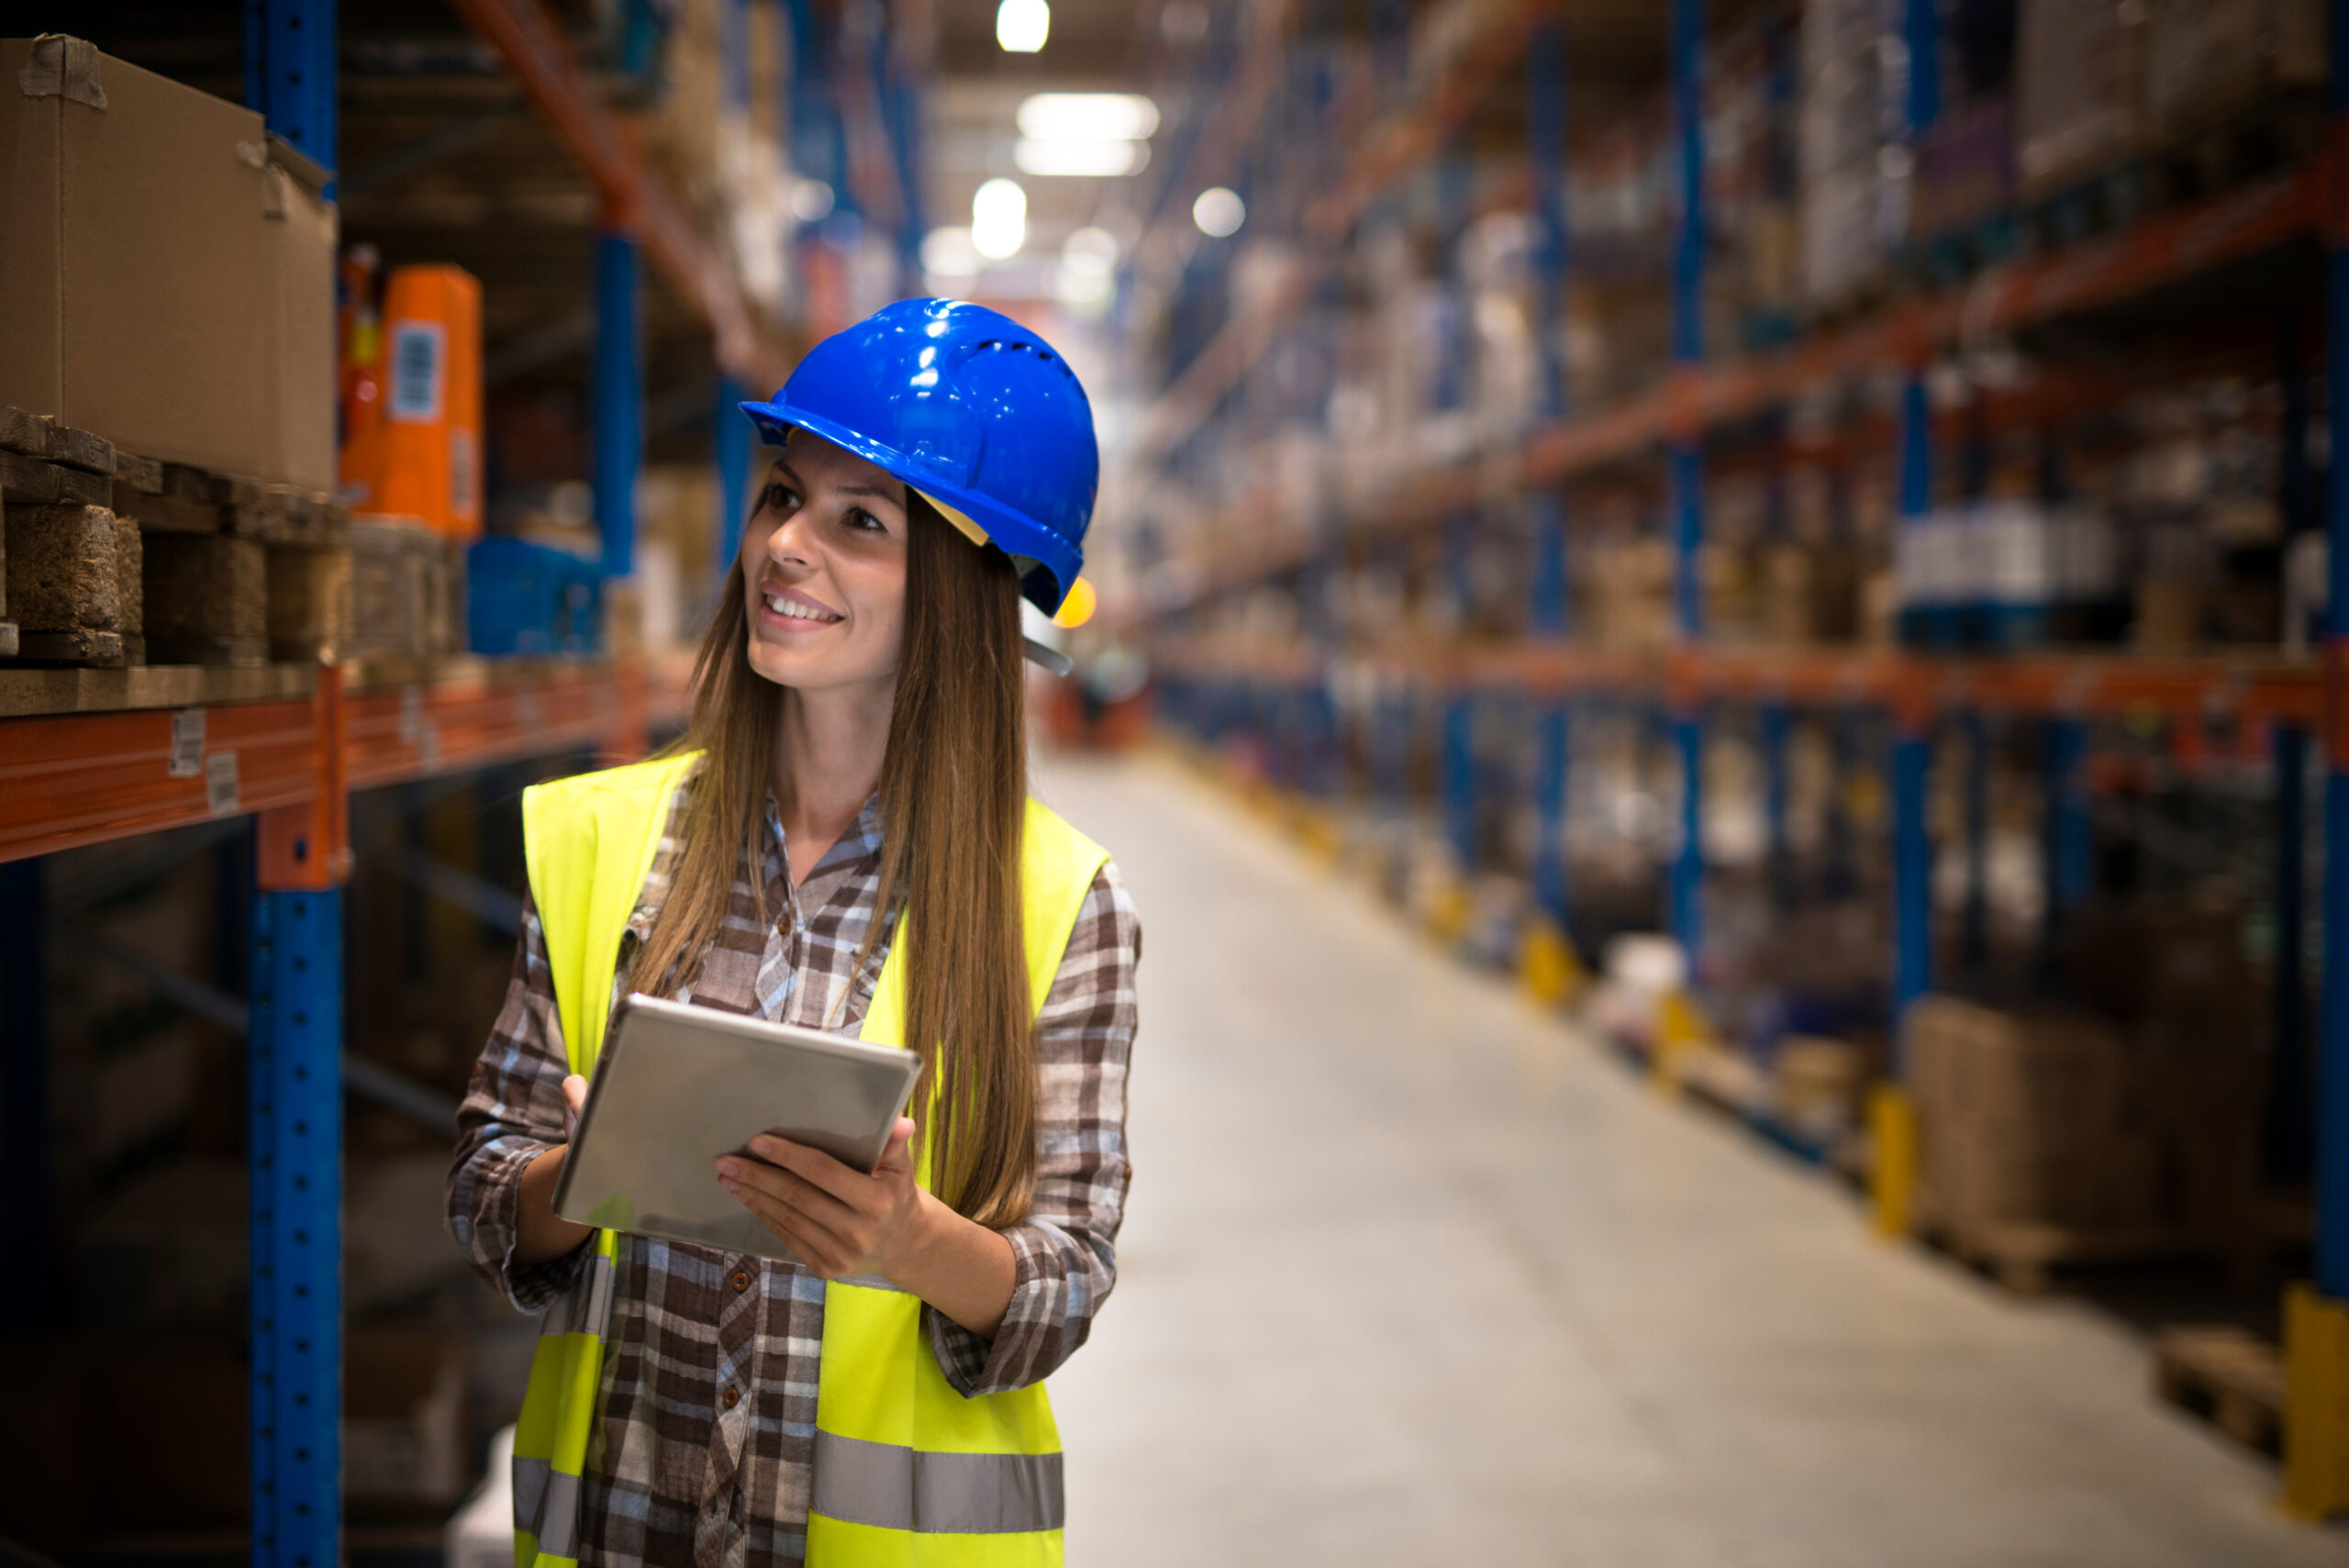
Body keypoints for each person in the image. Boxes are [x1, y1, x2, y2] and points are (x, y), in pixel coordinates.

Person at [446, 299, 1141, 1568]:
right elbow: (489, 1189)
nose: (785, 546)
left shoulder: (1062, 900)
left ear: (970, 589)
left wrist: (910, 1242)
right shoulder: (604, 838)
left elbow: (1068, 1277)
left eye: (859, 521)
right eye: (782, 497)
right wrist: (583, 1172)